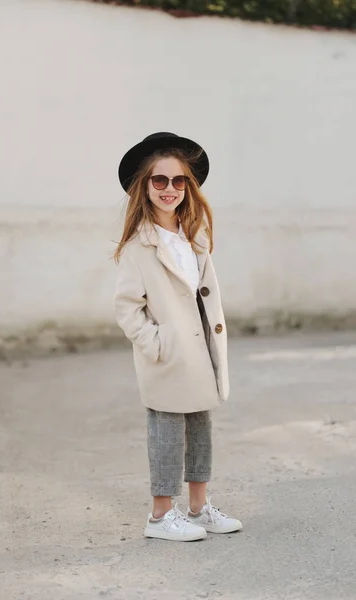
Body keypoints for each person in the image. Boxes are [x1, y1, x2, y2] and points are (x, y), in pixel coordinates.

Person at [114, 132, 242, 542]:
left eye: (179, 181)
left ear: (189, 187)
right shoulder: (139, 246)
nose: (170, 189)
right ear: (144, 186)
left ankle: (199, 508)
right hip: (169, 354)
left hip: (200, 349)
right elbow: (127, 307)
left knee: (200, 427)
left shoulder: (193, 238)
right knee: (167, 429)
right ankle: (160, 516)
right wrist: (157, 345)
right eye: (160, 180)